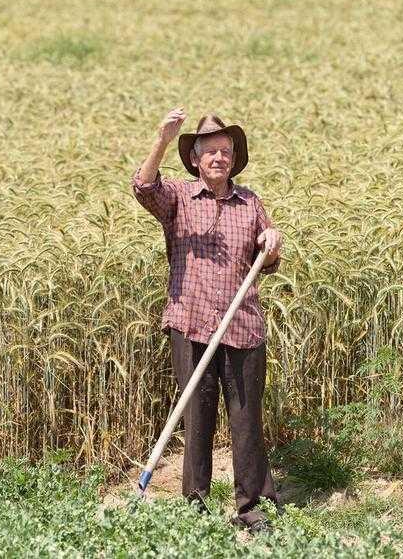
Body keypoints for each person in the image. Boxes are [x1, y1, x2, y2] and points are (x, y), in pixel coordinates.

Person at [132, 107, 282, 533]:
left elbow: (269, 259)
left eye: (226, 151)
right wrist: (162, 139)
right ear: (195, 159)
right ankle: (194, 505)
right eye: (211, 151)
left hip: (242, 327)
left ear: (234, 158)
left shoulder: (250, 202)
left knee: (246, 419)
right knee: (197, 416)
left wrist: (272, 242)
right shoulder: (178, 198)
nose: (219, 158)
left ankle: (251, 507)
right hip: (191, 323)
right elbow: (143, 187)